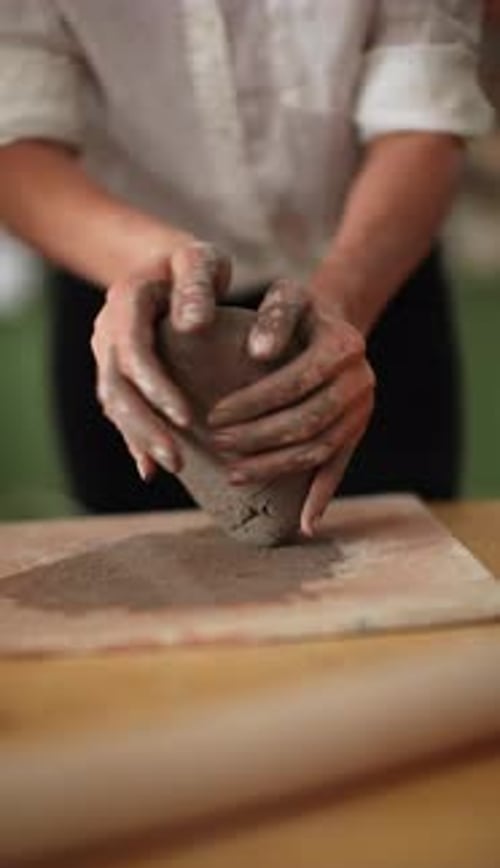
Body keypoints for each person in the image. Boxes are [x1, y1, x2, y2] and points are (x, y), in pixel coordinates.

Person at [0, 1, 493, 536]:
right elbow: (14, 130)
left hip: (368, 279)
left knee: (404, 580)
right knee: (157, 581)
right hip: (123, 291)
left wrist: (345, 297)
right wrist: (150, 260)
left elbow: (422, 111)